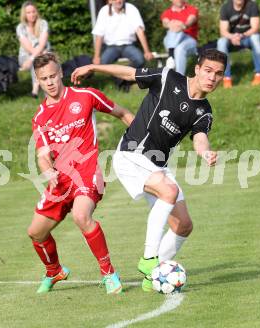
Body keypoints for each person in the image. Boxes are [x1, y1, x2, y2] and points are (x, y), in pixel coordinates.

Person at [71, 48, 226, 291]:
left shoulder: (203, 110)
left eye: (218, 74)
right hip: (131, 155)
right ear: (196, 69)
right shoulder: (168, 78)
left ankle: (152, 278)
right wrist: (94, 67)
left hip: (157, 165)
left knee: (183, 225)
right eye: (208, 71)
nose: (212, 78)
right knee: (169, 191)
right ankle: (149, 259)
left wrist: (205, 152)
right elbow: (130, 73)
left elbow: (200, 138)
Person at [28, 52, 134, 294]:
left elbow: (123, 113)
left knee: (81, 216)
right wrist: (48, 173)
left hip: (88, 172)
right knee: (36, 232)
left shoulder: (85, 96)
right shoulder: (40, 117)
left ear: (61, 73)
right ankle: (54, 271)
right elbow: (43, 155)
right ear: (38, 80)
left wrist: (145, 141)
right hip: (60, 181)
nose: (50, 82)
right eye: (44, 78)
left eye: (53, 75)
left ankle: (109, 273)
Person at [92, 0, 154, 71]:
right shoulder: (103, 11)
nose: (118, 1)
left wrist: (147, 51)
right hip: (111, 47)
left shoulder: (131, 8)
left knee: (140, 60)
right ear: (109, 1)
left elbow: (140, 31)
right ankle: (120, 77)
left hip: (129, 46)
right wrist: (96, 56)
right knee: (102, 64)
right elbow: (99, 35)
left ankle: (124, 77)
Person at [217, 0, 260, 88]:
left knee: (256, 38)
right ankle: (226, 78)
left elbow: (255, 28)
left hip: (247, 37)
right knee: (221, 42)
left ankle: (259, 74)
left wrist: (242, 35)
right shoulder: (225, 8)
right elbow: (223, 31)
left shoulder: (252, 5)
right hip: (232, 39)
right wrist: (232, 37)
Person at [16, 1, 51, 98]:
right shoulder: (20, 27)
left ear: (37, 12)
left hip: (41, 54)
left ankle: (36, 87)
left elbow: (42, 44)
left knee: (40, 61)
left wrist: (32, 58)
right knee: (39, 60)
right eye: (28, 12)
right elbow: (29, 48)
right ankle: (47, 93)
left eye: (33, 11)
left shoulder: (43, 24)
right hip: (25, 56)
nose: (31, 14)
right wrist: (34, 57)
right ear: (24, 14)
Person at [161, 0, 199, 75]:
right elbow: (165, 23)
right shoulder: (167, 12)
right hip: (172, 38)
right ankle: (171, 56)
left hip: (189, 39)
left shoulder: (191, 9)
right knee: (171, 32)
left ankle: (171, 59)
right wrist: (173, 24)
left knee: (180, 48)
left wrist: (182, 25)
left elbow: (191, 19)